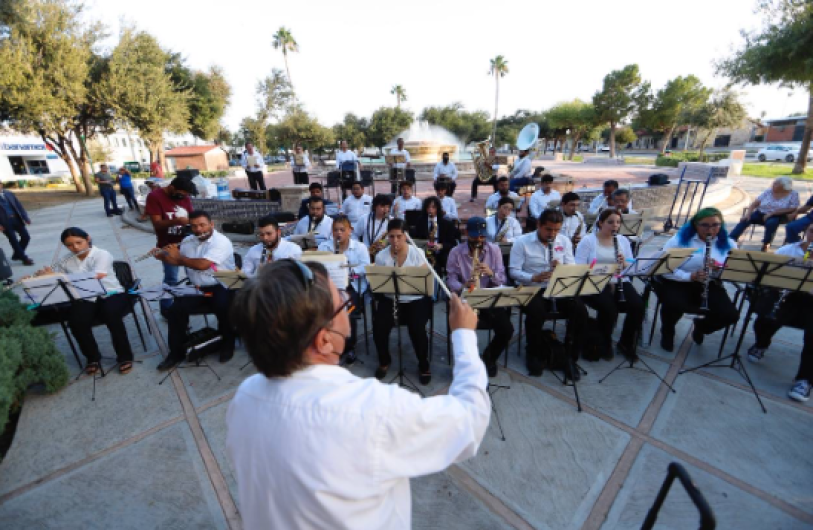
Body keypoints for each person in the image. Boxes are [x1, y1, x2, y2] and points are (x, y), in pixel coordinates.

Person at [226, 259, 488, 529]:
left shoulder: (245, 396)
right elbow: (470, 419)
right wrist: (464, 335)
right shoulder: (372, 410)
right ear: (324, 340)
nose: (347, 303)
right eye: (341, 300)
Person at [41, 227, 134, 374]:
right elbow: (63, 283)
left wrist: (60, 275)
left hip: (111, 293)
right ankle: (92, 358)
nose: (75, 247)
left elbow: (98, 275)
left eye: (79, 242)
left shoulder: (102, 254)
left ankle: (124, 356)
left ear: (88, 239)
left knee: (111, 315)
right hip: (85, 296)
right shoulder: (66, 261)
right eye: (70, 245)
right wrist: (48, 276)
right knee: (76, 322)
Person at [155, 211, 237, 370]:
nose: (198, 229)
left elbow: (202, 265)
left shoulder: (221, 241)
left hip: (223, 282)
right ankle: (176, 353)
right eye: (194, 226)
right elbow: (177, 261)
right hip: (197, 286)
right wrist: (162, 256)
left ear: (211, 224)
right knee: (174, 310)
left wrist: (178, 257)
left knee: (223, 308)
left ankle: (228, 344)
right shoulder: (187, 241)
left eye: (202, 225)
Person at [509, 209, 588, 375]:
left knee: (580, 310)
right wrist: (534, 277)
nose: (552, 234)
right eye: (549, 229)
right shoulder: (522, 242)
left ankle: (569, 355)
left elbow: (572, 268)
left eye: (556, 230)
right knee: (536, 313)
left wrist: (562, 269)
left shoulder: (564, 241)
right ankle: (534, 352)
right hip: (533, 287)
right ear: (539, 225)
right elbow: (513, 271)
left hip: (558, 287)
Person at [657, 207, 739, 352]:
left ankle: (701, 327)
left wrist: (718, 269)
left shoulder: (729, 244)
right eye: (705, 225)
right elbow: (665, 268)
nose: (711, 230)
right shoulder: (679, 241)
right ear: (695, 224)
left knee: (730, 315)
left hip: (710, 282)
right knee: (673, 304)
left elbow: (733, 270)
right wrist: (690, 276)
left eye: (715, 225)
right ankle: (667, 333)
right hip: (678, 281)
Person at [747, 224, 813, 402]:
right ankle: (761, 344)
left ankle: (804, 380)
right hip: (789, 296)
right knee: (766, 317)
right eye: (812, 231)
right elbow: (767, 273)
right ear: (806, 232)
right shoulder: (789, 250)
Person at [446, 217, 514, 376]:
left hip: (488, 297)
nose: (478, 240)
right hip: (466, 299)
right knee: (463, 330)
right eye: (475, 236)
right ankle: (465, 364)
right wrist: (463, 286)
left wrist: (491, 274)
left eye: (482, 236)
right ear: (466, 233)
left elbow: (502, 279)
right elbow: (451, 279)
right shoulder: (456, 252)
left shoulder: (494, 250)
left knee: (507, 330)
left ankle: (489, 357)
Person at [575, 209, 644, 360]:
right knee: (609, 309)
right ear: (600, 223)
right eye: (610, 222)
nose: (615, 226)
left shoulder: (623, 241)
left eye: (618, 222)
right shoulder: (588, 241)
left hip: (619, 280)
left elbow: (631, 264)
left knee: (638, 305)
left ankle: (626, 343)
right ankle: (604, 342)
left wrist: (623, 262)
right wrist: (604, 273)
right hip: (594, 281)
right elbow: (579, 266)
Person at [373, 219, 434, 384]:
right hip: (391, 298)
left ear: (406, 236)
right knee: (379, 327)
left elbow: (426, 279)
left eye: (399, 236)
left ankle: (423, 364)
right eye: (391, 237)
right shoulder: (381, 256)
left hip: (415, 299)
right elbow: (378, 285)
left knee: (417, 329)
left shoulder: (417, 253)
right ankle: (384, 361)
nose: (395, 241)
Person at [318, 215, 370, 365]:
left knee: (348, 312)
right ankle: (328, 342)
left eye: (342, 230)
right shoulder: (325, 247)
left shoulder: (359, 247)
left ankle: (349, 346)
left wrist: (349, 272)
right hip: (330, 286)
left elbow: (365, 266)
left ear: (350, 231)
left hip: (351, 286)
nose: (339, 233)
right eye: (336, 230)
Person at [145, 177, 196, 318]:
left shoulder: (184, 196)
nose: (183, 197)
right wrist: (177, 221)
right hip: (167, 244)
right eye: (181, 193)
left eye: (186, 195)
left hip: (187, 242)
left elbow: (191, 215)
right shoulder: (155, 197)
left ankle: (192, 303)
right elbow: (157, 224)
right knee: (171, 278)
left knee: (193, 275)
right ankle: (166, 308)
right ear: (172, 187)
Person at [730, 177, 800, 252]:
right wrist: (747, 214)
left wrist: (773, 213)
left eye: (776, 184)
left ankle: (766, 243)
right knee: (745, 220)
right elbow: (754, 204)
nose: (773, 184)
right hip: (761, 212)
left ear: (784, 186)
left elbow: (793, 208)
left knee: (771, 222)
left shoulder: (793, 194)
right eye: (774, 183)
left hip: (779, 215)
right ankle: (731, 239)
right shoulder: (768, 191)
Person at [411, 196, 457, 274]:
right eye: (428, 207)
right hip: (424, 253)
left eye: (433, 207)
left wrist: (441, 246)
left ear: (438, 209)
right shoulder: (420, 222)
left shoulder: (446, 223)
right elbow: (415, 239)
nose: (430, 210)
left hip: (441, 253)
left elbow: (453, 243)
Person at [0, 181, 34, 265]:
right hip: (4, 222)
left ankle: (17, 255)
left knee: (26, 237)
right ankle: (24, 258)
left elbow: (19, 206)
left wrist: (25, 217)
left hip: (16, 219)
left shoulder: (9, 193)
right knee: (13, 239)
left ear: (1, 185)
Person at [354, 194, 392, 259]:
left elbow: (392, 238)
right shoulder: (364, 219)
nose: (386, 210)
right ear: (375, 206)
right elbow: (354, 234)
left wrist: (386, 244)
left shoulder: (390, 221)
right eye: (383, 206)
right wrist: (360, 248)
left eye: (388, 207)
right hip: (366, 253)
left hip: (384, 254)